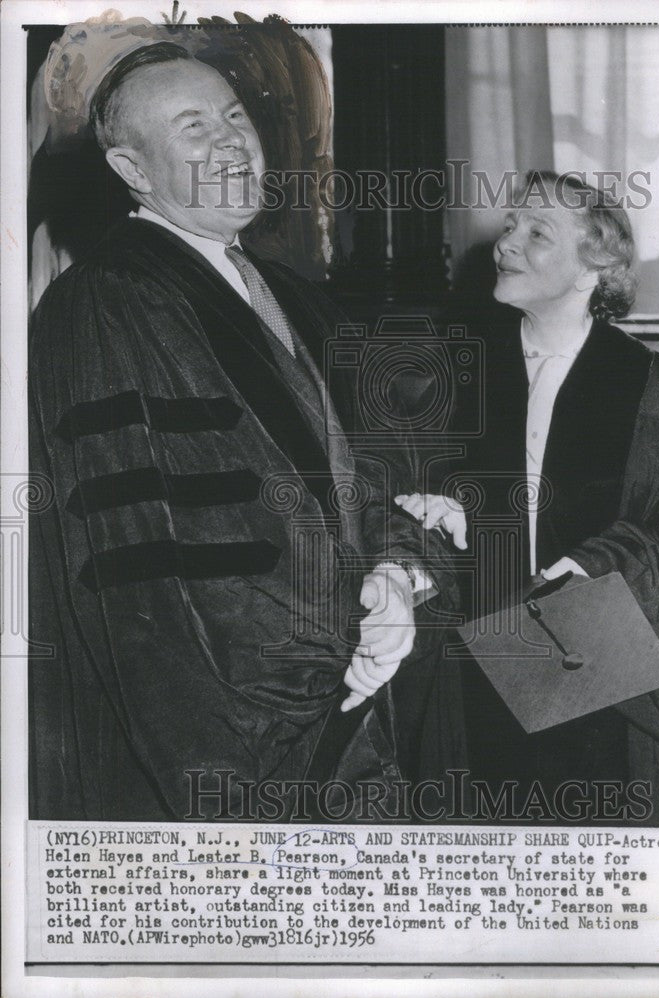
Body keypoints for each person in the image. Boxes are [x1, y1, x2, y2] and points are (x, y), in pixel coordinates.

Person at [28, 42, 462, 822]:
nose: (231, 140)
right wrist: (311, 682)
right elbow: (136, 572)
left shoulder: (295, 297)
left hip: (358, 700)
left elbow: (366, 478)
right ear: (133, 170)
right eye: (194, 126)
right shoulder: (99, 306)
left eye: (235, 116)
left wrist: (397, 576)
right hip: (235, 741)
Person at [396, 171, 659, 825]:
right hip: (479, 657)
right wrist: (449, 515)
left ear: (595, 265)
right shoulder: (457, 374)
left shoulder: (658, 392)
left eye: (537, 232)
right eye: (510, 225)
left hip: (605, 672)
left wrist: (595, 560)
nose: (507, 241)